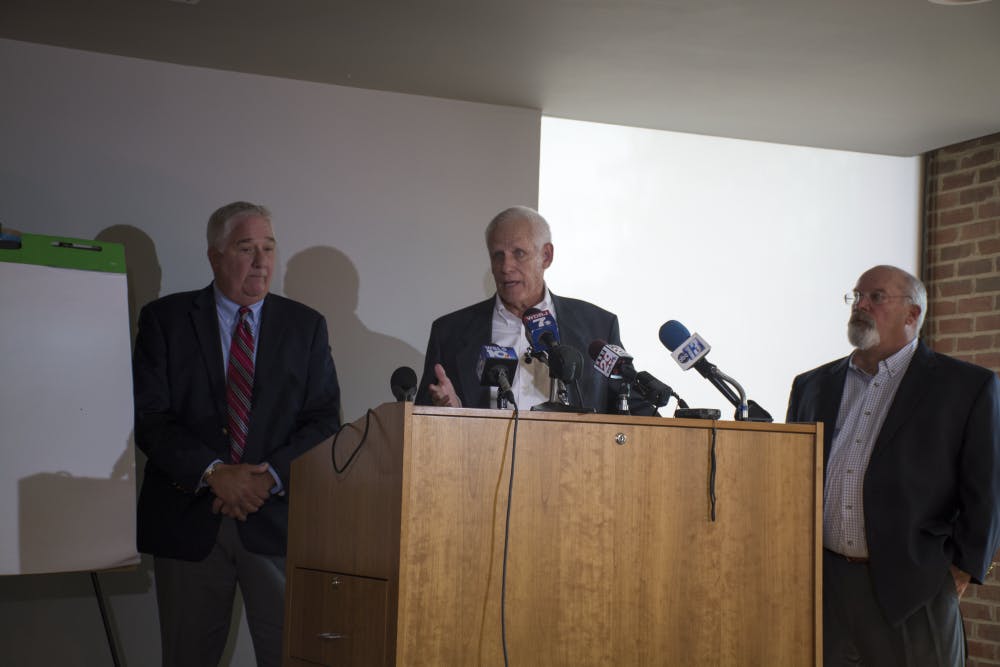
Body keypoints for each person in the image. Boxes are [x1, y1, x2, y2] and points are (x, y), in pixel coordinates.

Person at [133, 201, 341, 667]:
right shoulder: (165, 320)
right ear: (215, 256)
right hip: (188, 521)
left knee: (291, 656)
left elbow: (324, 420)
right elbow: (150, 416)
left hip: (277, 520)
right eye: (247, 248)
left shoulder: (306, 326)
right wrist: (214, 473)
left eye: (269, 247)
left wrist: (266, 478)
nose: (262, 261)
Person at [786, 264, 1000, 667]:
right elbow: (792, 480)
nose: (861, 305)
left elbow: (986, 491)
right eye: (856, 296)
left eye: (876, 297)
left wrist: (960, 571)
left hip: (914, 589)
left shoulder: (964, 387)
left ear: (912, 314)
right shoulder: (812, 386)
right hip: (825, 587)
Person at [416, 205, 641, 413]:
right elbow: (422, 420)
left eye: (519, 253)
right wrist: (452, 411)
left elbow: (634, 409)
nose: (506, 267)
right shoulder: (449, 333)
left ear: (546, 256)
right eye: (498, 255)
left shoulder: (597, 326)